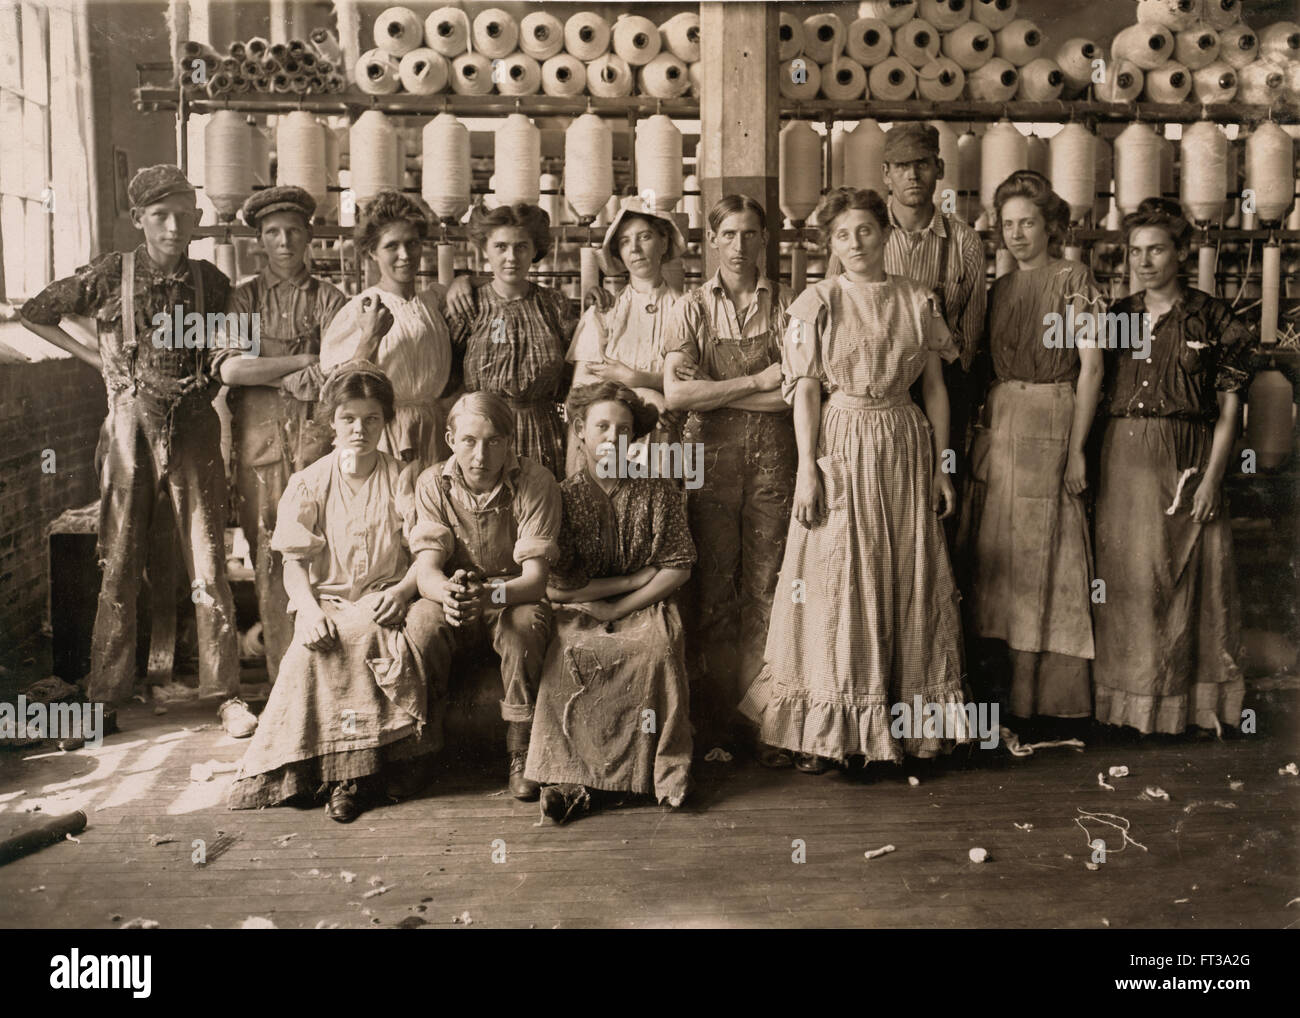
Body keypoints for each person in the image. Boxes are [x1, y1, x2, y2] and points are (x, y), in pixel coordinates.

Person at [739, 187, 972, 771]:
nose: (855, 243)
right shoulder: (813, 303)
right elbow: (807, 393)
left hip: (903, 444)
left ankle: (904, 724)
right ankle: (829, 729)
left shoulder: (919, 299)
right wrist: (808, 472)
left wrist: (943, 468)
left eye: (865, 230)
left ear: (886, 234)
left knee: (906, 576)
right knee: (838, 580)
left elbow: (937, 389)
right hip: (840, 445)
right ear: (830, 245)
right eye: (842, 235)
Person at [18, 164, 250, 734]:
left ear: (197, 219)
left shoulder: (212, 283)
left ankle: (224, 693)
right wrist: (97, 360)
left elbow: (228, 355)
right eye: (160, 216)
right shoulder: (109, 274)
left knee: (208, 561)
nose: (173, 227)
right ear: (138, 219)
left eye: (183, 216)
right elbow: (35, 312)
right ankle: (104, 697)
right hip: (128, 430)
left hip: (195, 429)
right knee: (119, 563)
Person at [228, 362, 442, 822]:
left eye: (371, 419)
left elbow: (426, 552)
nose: (359, 430)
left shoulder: (404, 477)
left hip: (387, 594)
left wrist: (404, 592)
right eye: (348, 419)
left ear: (386, 422)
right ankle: (318, 770)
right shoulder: (308, 482)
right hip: (328, 600)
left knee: (365, 635)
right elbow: (294, 562)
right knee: (310, 652)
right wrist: (306, 609)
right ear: (331, 422)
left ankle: (360, 777)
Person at [1093, 197, 1251, 735]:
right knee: (1130, 580)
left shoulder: (1216, 317)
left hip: (1188, 458)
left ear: (1182, 252)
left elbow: (1230, 410)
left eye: (1156, 249)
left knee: (1186, 582)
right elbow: (1093, 387)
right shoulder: (1117, 316)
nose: (1143, 260)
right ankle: (1131, 707)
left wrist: (1212, 479)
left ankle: (1188, 707)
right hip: (1123, 457)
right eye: (1135, 251)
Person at [957, 171, 1103, 737]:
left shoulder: (1074, 279)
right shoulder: (1001, 288)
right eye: (1008, 224)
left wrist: (1077, 452)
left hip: (1053, 419)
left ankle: (1040, 701)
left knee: (1047, 559)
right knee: (999, 562)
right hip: (1002, 426)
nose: (1017, 234)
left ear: (1051, 226)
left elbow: (1092, 369)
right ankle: (1000, 699)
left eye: (1028, 223)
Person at [661, 194, 796, 754]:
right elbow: (676, 393)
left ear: (766, 240)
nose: (740, 247)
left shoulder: (791, 305)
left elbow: (795, 395)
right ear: (711, 241)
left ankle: (761, 723)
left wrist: (719, 396)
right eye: (729, 235)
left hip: (774, 463)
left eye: (750, 234)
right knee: (714, 592)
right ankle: (714, 723)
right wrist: (757, 381)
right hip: (707, 465)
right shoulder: (691, 307)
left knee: (769, 589)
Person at [525, 382, 696, 823]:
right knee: (569, 654)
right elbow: (556, 589)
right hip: (580, 607)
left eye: (623, 429)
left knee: (653, 651)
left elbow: (677, 567)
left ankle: (650, 776)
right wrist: (626, 581)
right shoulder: (562, 496)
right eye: (601, 426)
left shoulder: (658, 489)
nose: (612, 438)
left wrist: (621, 606)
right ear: (580, 431)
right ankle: (570, 779)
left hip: (645, 605)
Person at [217, 185, 348, 684]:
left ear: (309, 236)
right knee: (271, 557)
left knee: (325, 553)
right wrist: (299, 363)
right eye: (273, 232)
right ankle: (281, 683)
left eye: (294, 230)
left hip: (318, 445)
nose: (284, 240)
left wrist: (269, 368)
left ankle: (323, 680)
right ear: (259, 242)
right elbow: (231, 370)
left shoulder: (332, 300)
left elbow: (341, 371)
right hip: (262, 450)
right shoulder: (242, 297)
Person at [409, 392, 562, 799]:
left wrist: (491, 596)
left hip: (512, 595)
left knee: (522, 627)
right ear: (449, 439)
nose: (480, 455)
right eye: (469, 441)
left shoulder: (535, 481)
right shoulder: (431, 483)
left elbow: (535, 580)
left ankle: (521, 751)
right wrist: (450, 593)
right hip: (458, 594)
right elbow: (426, 572)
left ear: (509, 442)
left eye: (494, 441)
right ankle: (424, 746)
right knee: (422, 624)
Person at [877, 123, 988, 542]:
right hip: (879, 395)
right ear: (885, 173)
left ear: (939, 168)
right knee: (882, 506)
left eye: (922, 164)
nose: (912, 176)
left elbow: (970, 341)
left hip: (943, 393)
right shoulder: (865, 236)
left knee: (940, 505)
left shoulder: (965, 243)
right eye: (901, 166)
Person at [321, 189, 452, 470]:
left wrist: (468, 282)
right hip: (384, 433)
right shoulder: (360, 309)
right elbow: (337, 391)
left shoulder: (433, 302)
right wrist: (370, 337)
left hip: (433, 429)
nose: (405, 255)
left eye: (412, 243)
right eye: (392, 246)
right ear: (372, 252)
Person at [444, 203, 576, 479]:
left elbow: (573, 377)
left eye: (521, 247)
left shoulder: (555, 305)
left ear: (534, 249)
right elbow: (448, 378)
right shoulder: (469, 306)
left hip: (544, 432)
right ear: (485, 249)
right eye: (501, 247)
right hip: (483, 435)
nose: (511, 257)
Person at [563, 195, 690, 478]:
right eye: (624, 241)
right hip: (610, 448)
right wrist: (573, 473)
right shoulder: (603, 314)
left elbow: (699, 385)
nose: (634, 249)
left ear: (664, 242)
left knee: (669, 511)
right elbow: (580, 398)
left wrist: (639, 380)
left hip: (672, 439)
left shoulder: (690, 311)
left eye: (644, 237)